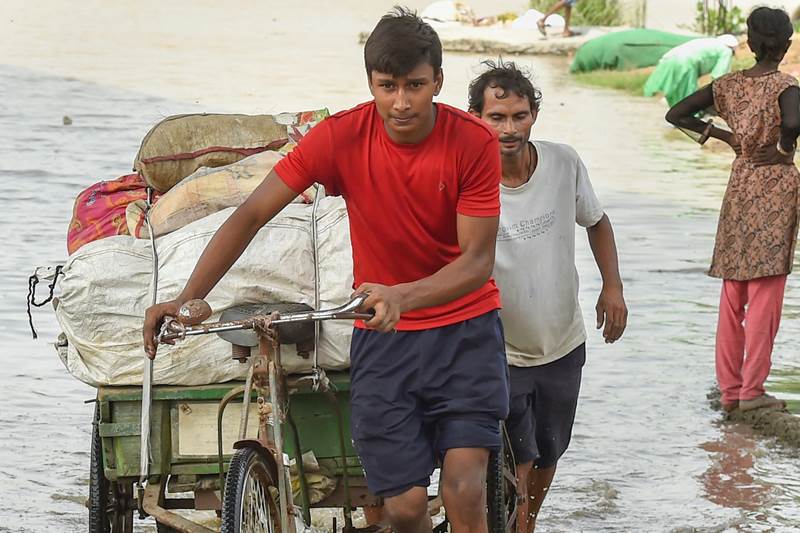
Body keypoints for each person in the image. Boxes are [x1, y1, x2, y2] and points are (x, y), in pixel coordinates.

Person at [143, 8, 510, 533]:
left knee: (465, 489)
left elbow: (477, 262)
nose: (401, 102)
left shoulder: (472, 141)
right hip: (384, 339)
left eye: (415, 85)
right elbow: (250, 213)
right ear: (371, 84)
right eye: (388, 86)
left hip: (465, 332)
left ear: (438, 83)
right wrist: (186, 298)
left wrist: (403, 296)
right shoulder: (341, 137)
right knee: (405, 508)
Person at [469, 60, 627, 532]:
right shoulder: (468, 180)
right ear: (476, 118)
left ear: (534, 114)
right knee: (518, 456)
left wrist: (612, 287)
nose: (508, 128)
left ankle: (528, 522)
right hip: (501, 347)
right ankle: (514, 524)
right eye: (496, 117)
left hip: (562, 340)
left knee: (550, 448)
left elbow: (597, 222)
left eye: (519, 115)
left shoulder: (562, 162)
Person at [665, 7, 799, 413]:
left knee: (733, 289)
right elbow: (792, 123)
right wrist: (782, 148)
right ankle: (753, 391)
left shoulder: (727, 85)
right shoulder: (787, 86)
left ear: (750, 43)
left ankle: (730, 390)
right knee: (766, 292)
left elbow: (676, 113)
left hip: (740, 183)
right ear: (787, 45)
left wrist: (726, 137)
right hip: (775, 185)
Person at [644, 34, 739, 107]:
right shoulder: (726, 51)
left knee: (672, 93)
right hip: (686, 63)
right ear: (733, 49)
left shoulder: (710, 42)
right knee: (688, 99)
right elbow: (719, 76)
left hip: (669, 58)